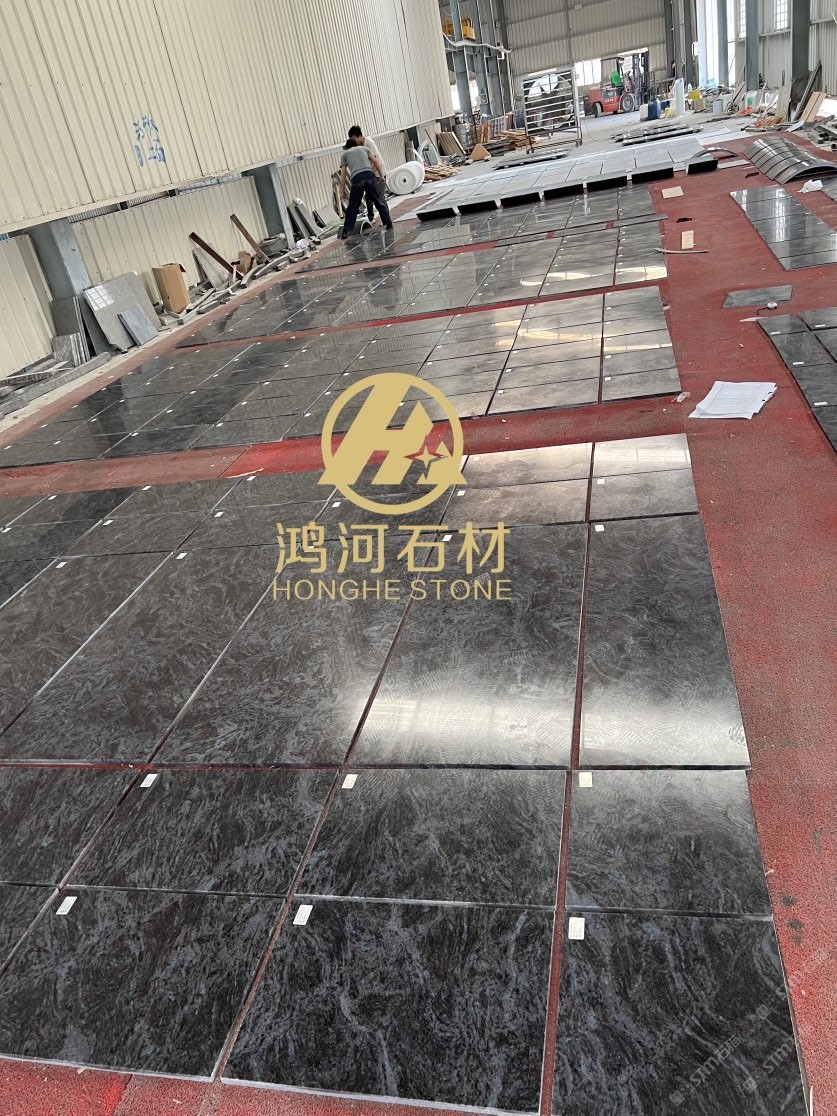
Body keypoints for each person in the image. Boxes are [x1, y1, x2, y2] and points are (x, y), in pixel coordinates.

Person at [339, 136, 392, 239]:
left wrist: (341, 191)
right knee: (379, 202)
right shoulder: (365, 149)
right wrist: (381, 175)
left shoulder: (345, 155)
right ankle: (388, 224)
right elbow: (376, 161)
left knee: (353, 206)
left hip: (357, 179)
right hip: (370, 176)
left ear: (347, 147)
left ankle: (346, 231)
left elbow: (343, 175)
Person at [348, 125, 386, 223]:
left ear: (360, 136)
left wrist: (374, 175)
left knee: (379, 198)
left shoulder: (369, 143)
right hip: (369, 174)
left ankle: (386, 219)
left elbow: (375, 161)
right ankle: (371, 218)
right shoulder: (357, 147)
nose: (354, 142)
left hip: (377, 173)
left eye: (354, 139)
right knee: (368, 197)